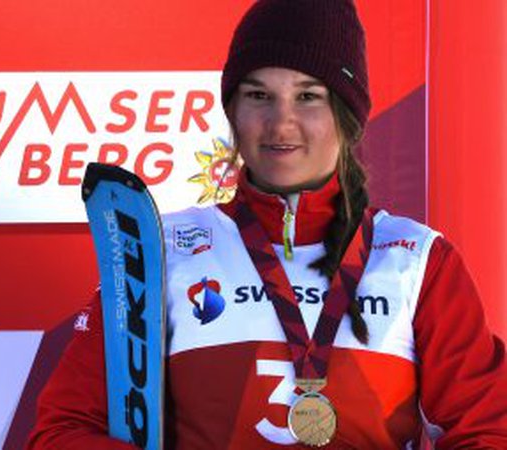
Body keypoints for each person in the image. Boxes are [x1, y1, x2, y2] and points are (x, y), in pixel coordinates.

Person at [28, 0, 507, 448]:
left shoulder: (416, 260)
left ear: (348, 118)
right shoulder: (160, 250)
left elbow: (489, 431)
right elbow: (63, 430)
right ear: (232, 112)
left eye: (308, 97)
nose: (281, 124)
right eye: (259, 95)